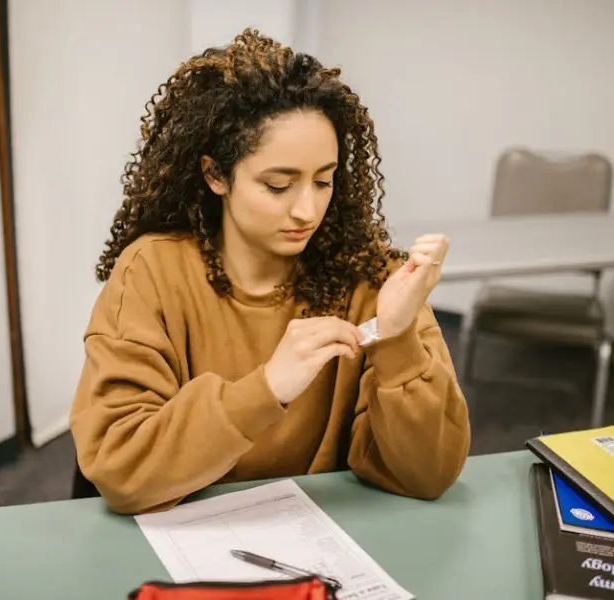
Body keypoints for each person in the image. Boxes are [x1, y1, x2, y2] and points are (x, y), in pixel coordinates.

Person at [70, 29, 471, 515]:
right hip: (186, 537)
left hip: (327, 539)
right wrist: (268, 388)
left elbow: (428, 476)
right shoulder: (152, 271)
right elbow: (122, 469)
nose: (307, 210)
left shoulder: (372, 278)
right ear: (215, 175)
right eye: (278, 186)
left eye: (324, 181)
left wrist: (398, 339)